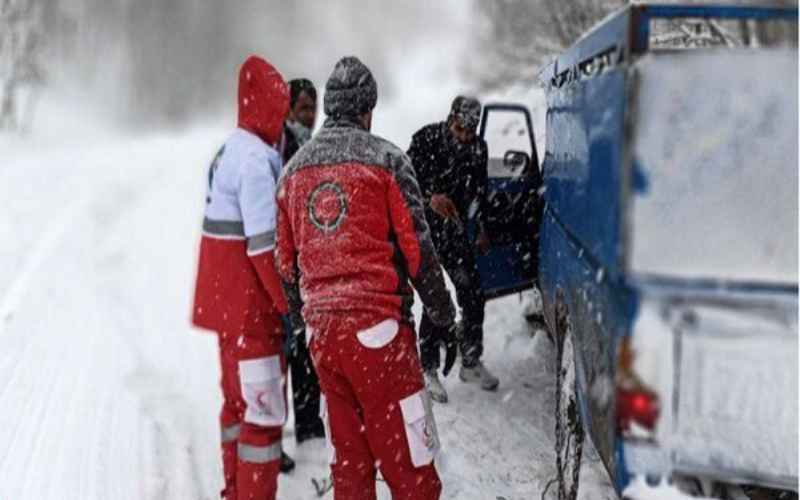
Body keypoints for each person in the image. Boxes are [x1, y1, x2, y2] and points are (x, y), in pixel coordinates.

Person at [276, 56, 457, 500]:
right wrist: (443, 314)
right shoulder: (387, 161)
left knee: (352, 468)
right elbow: (418, 251)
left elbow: (286, 264)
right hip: (379, 337)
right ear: (367, 110)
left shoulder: (293, 173)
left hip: (326, 341)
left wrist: (304, 320)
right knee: (411, 467)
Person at [191, 55, 291, 500]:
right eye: (281, 109)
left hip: (226, 310)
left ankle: (234, 491)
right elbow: (263, 246)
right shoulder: (255, 162)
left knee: (235, 408)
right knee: (263, 419)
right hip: (254, 314)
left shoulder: (226, 151)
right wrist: (289, 304)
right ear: (267, 107)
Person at [407, 96, 499, 404]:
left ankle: (470, 360)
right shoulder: (426, 139)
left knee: (473, 291)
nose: (463, 137)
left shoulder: (478, 149)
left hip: (456, 230)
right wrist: (429, 197)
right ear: (450, 120)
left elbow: (480, 191)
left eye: (469, 132)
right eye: (459, 129)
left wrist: (483, 228)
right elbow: (402, 185)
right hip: (426, 231)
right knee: (436, 294)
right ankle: (428, 366)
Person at [281, 77, 326, 445]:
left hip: (305, 256)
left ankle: (309, 418)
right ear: (288, 109)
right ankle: (306, 422)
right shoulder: (285, 145)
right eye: (303, 108)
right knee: (296, 342)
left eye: (313, 108)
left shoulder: (307, 143)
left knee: (305, 340)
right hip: (291, 258)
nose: (309, 116)